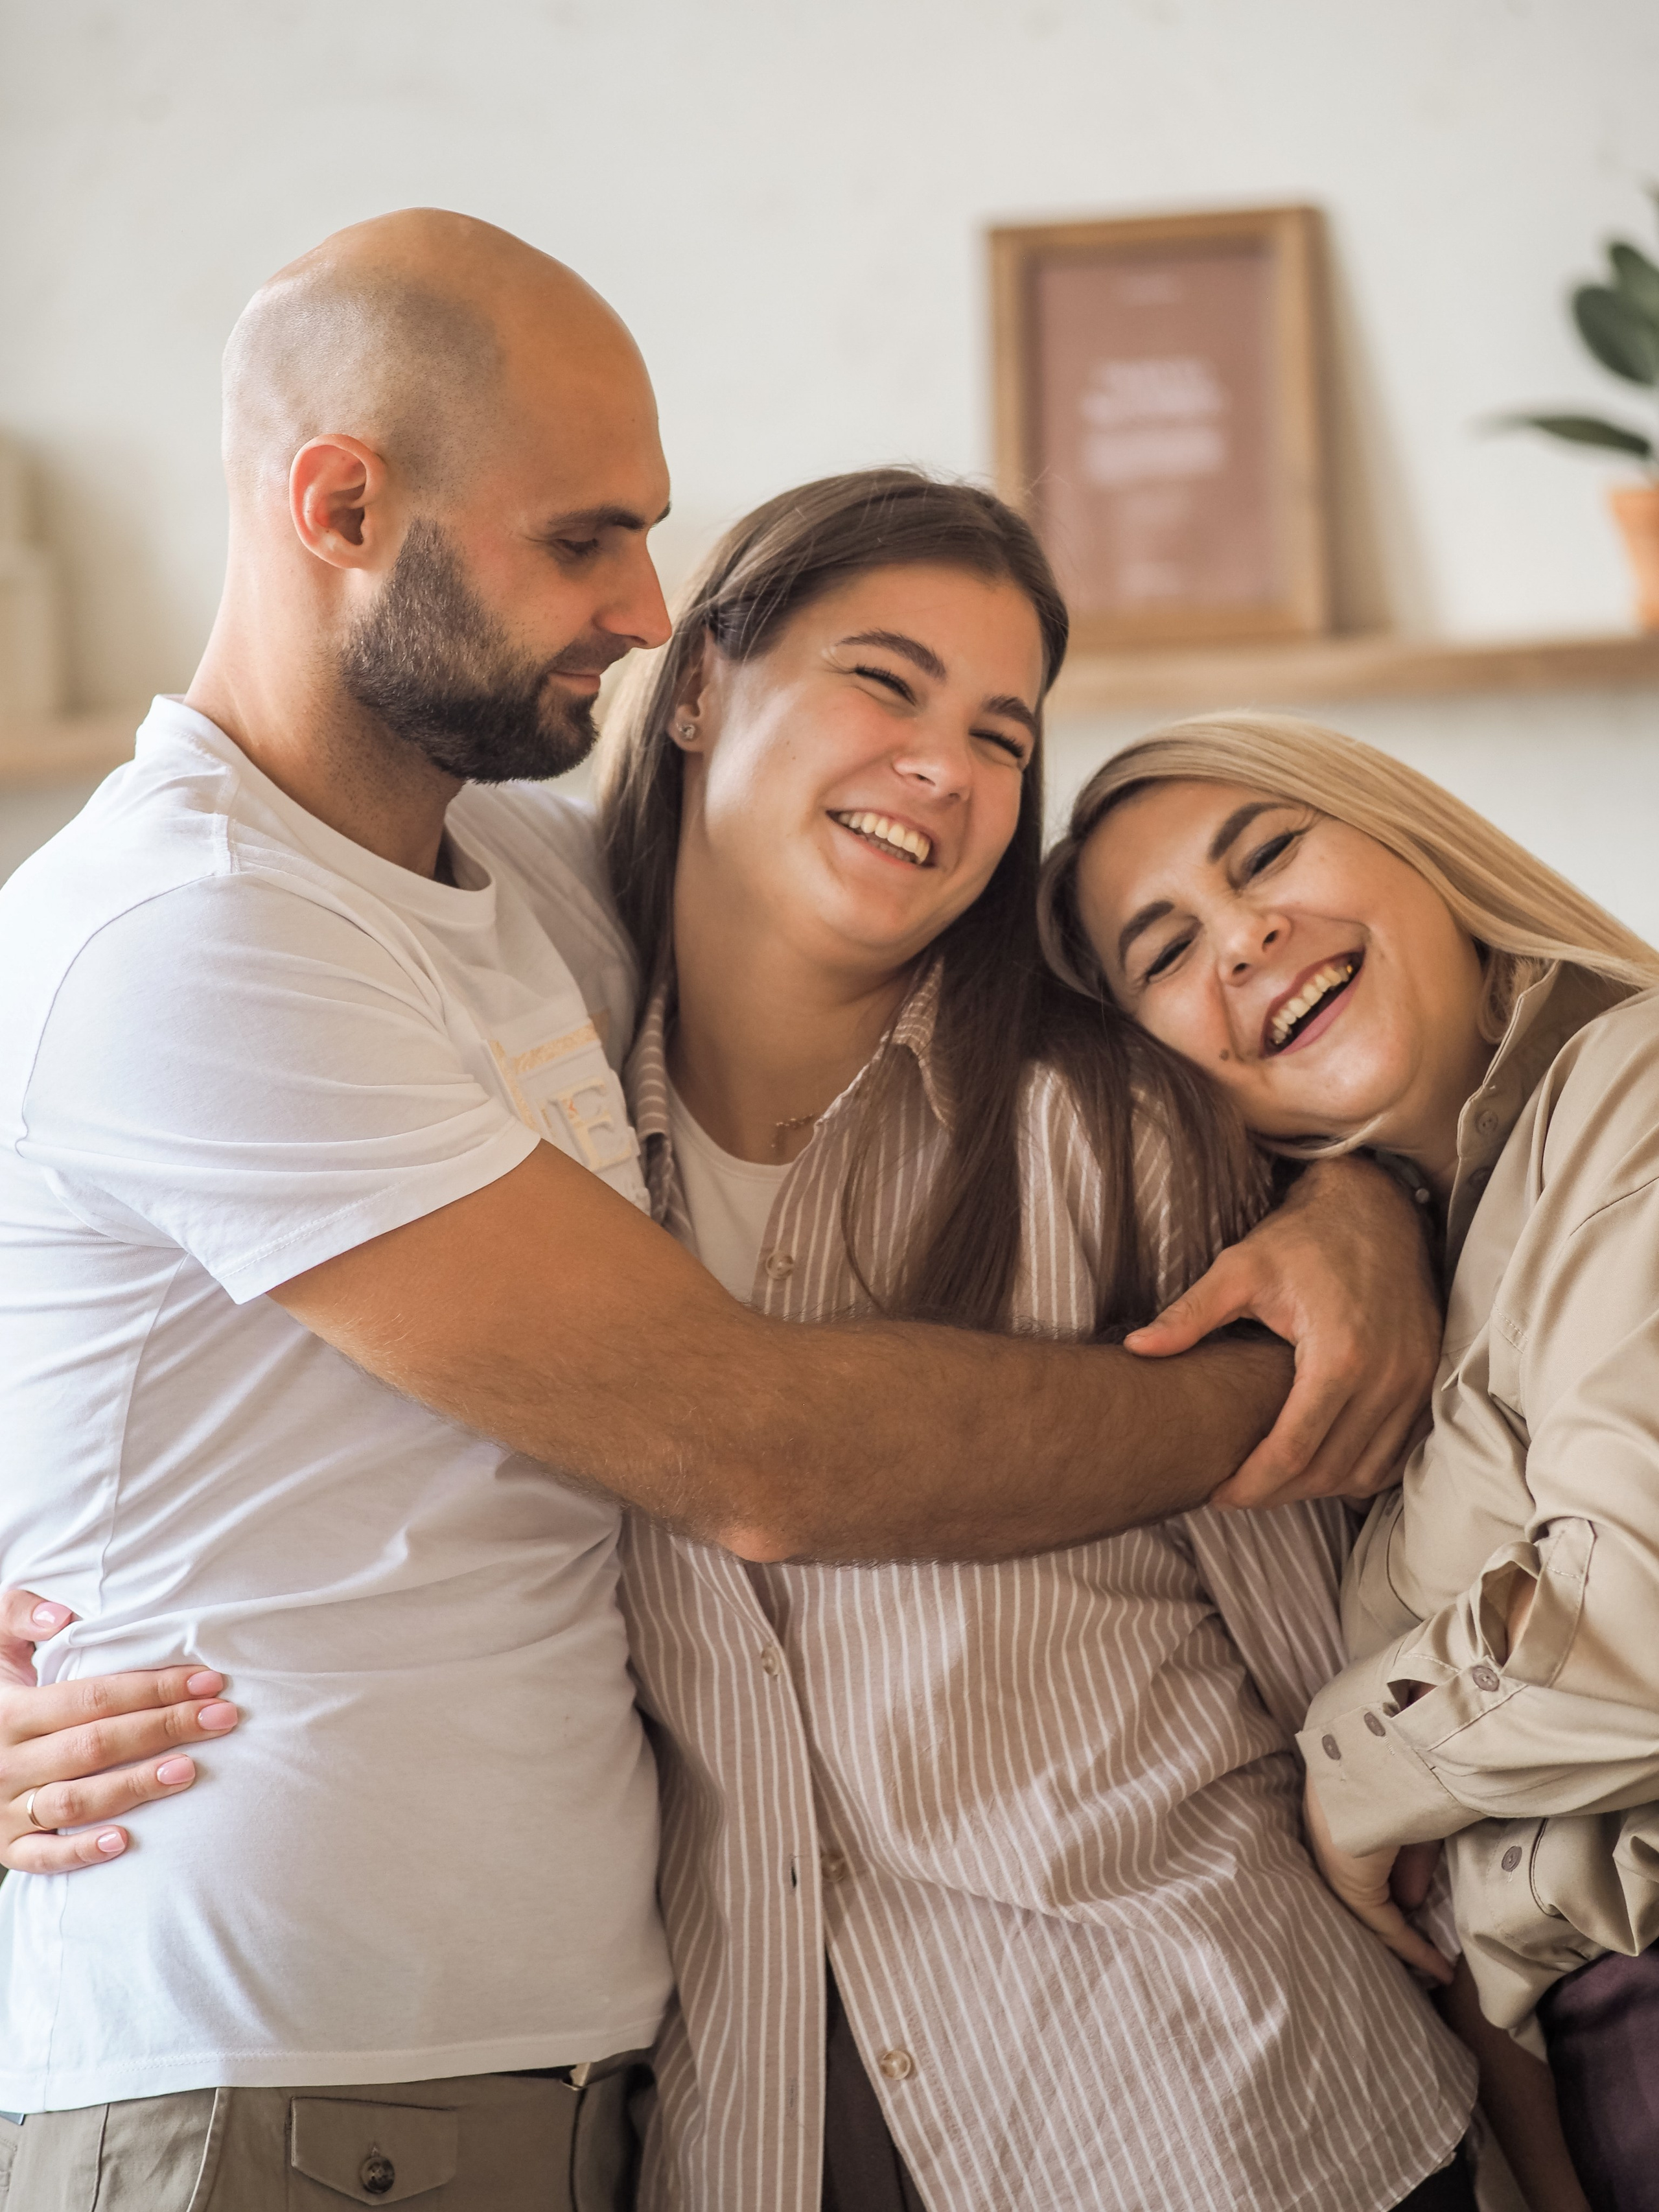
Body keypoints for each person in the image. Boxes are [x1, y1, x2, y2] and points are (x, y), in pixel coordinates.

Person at [0, 203, 1433, 2210]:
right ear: (339, 504)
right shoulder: (181, 929)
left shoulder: (528, 895)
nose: (643, 599)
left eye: (1002, 733)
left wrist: (1358, 1193)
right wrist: (1261, 1396)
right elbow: (747, 1443)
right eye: (583, 537)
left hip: (598, 2073)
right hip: (270, 2067)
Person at [593, 472, 1477, 2212]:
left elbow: (1336, 1668)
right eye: (888, 682)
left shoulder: (1113, 1135)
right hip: (771, 2129)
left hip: (1216, 2098)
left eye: (1003, 732)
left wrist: (1364, 1202)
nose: (947, 765)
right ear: (696, 685)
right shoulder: (531, 1141)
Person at [1039, 708, 1659, 2212]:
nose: (1244, 937)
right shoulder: (1376, 1330)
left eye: (1267, 854)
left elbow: (1636, 1614)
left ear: (1416, 850)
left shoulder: (1632, 1081)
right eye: (1165, 951)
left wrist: (1351, 1771)